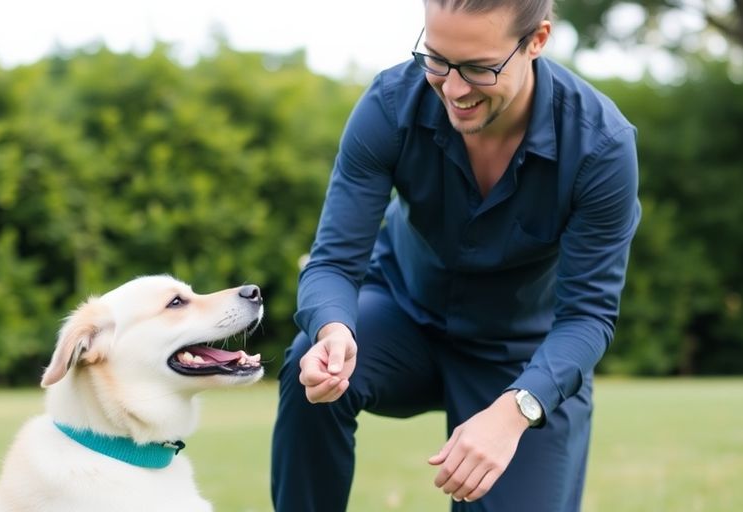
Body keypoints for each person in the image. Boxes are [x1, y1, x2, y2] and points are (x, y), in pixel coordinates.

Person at [270, 0, 641, 510]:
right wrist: (334, 331)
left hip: (525, 361)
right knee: (305, 362)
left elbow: (588, 316)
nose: (454, 87)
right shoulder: (388, 105)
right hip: (403, 317)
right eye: (437, 58)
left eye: (479, 67)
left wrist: (516, 410)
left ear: (537, 41)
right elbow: (334, 261)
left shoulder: (601, 146)